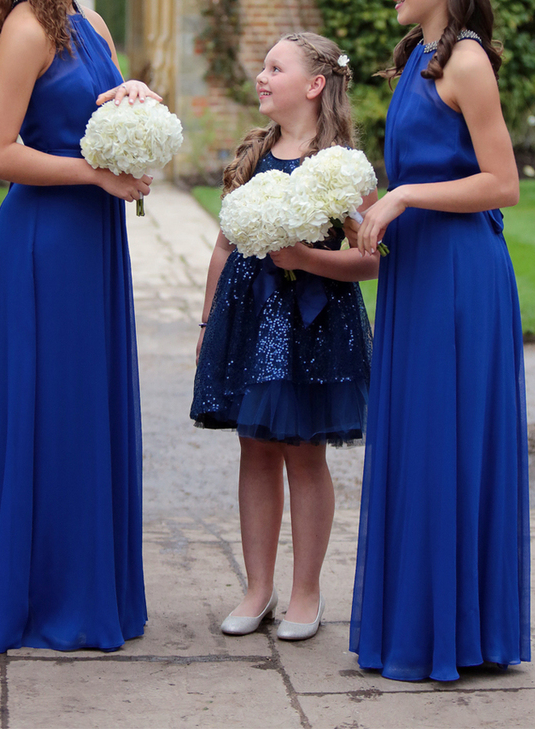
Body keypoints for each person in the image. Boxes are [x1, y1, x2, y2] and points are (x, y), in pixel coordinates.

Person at [0, 0, 159, 653]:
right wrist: (94, 174)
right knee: (53, 409)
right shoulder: (28, 28)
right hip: (45, 245)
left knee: (90, 408)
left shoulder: (92, 23)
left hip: (94, 240)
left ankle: (90, 587)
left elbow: (93, 113)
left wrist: (132, 99)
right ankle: (46, 597)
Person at [349, 0, 531, 681]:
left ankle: (454, 632)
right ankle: (421, 623)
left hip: (459, 277)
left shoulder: (465, 60)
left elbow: (502, 183)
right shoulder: (417, 59)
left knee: (443, 440)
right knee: (416, 440)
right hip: (416, 270)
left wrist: (403, 196)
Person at [191, 32, 380, 641]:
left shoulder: (342, 167)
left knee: (304, 451)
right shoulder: (254, 154)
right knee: (254, 448)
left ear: (315, 84)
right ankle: (257, 588)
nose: (262, 76)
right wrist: (208, 324)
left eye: (276, 67)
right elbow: (224, 247)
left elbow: (371, 261)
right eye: (264, 67)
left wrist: (304, 258)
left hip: (313, 326)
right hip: (249, 322)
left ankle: (306, 593)